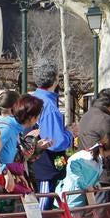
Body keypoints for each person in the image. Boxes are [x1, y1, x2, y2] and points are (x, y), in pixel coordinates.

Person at [28, 61, 72, 205]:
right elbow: (55, 142)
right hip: (45, 168)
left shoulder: (32, 98)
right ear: (55, 79)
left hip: (33, 164)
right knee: (41, 213)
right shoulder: (48, 106)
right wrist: (69, 133)